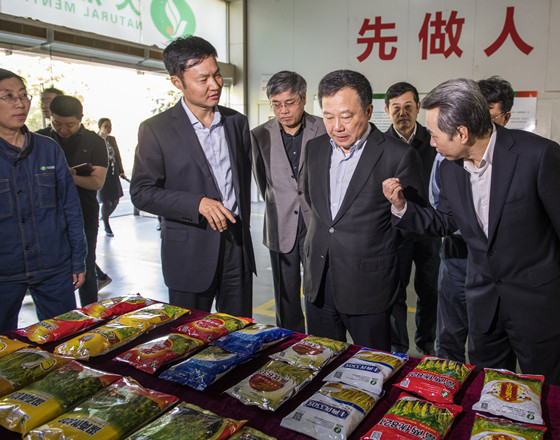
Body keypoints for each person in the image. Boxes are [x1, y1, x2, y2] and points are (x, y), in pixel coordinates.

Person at [383, 78, 560, 384]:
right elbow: (445, 221)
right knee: (488, 386)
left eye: (435, 135)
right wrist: (402, 207)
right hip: (484, 307)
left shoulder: (538, 155)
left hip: (536, 307)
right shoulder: (449, 168)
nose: (431, 142)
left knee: (547, 392)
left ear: (462, 133)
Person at [130, 36, 255, 317]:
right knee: (188, 333)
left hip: (236, 247)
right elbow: (141, 192)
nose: (215, 85)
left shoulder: (236, 122)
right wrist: (197, 203)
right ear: (177, 82)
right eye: (203, 79)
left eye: (217, 75)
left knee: (240, 330)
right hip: (190, 251)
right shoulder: (156, 129)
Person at [302, 70, 426, 350]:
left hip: (369, 286)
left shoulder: (398, 154)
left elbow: (415, 222)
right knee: (319, 362)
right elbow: (315, 205)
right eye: (328, 117)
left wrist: (398, 210)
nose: (337, 127)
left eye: (346, 117)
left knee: (372, 366)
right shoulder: (315, 149)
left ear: (368, 111)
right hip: (319, 282)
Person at [431, 76, 514, 363]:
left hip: (507, 268)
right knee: (452, 334)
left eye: (488, 115)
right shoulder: (447, 161)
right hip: (457, 255)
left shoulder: (528, 158)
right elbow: (442, 213)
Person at [0, 69, 86, 331]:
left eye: (23, 95)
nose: (20, 103)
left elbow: (71, 208)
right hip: (4, 272)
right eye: (8, 96)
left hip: (53, 267)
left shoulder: (48, 149)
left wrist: (78, 259)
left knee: (65, 336)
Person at [251, 71, 326, 333]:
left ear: (304, 98)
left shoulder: (323, 128)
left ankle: (319, 340)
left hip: (317, 222)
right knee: (285, 293)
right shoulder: (259, 135)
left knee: (319, 289)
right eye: (276, 104)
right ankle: (288, 340)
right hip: (280, 224)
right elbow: (262, 181)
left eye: (290, 103)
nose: (283, 111)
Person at [384, 82, 440, 355]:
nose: (402, 113)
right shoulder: (380, 144)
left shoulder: (434, 141)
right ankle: (398, 349)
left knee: (430, 291)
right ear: (387, 110)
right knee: (396, 291)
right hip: (397, 230)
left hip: (430, 229)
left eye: (408, 106)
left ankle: (426, 345)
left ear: (418, 107)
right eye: (396, 107)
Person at [37, 96, 108, 307]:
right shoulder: (39, 140)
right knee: (50, 271)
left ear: (80, 119)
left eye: (70, 125)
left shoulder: (95, 142)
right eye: (57, 123)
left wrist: (67, 176)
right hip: (46, 217)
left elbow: (97, 182)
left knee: (86, 268)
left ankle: (91, 315)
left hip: (84, 214)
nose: (63, 130)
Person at [97, 117, 127, 237]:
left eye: (110, 126)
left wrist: (121, 171)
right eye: (106, 126)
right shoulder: (95, 139)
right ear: (100, 127)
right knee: (106, 201)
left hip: (113, 173)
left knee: (115, 201)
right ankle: (106, 224)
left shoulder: (112, 139)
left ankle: (104, 217)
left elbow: (117, 155)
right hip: (102, 174)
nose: (108, 129)